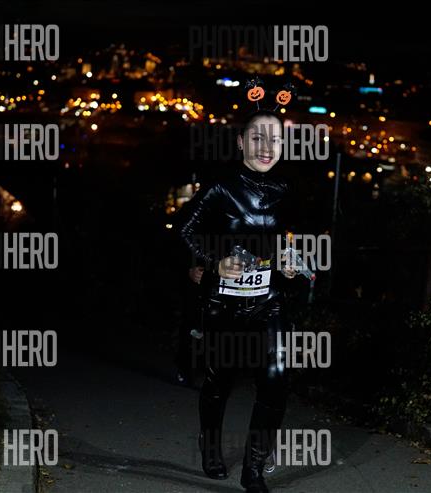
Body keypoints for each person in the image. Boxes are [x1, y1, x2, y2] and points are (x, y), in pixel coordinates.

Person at [175, 100, 298, 493]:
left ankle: (253, 470)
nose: (266, 147)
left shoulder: (285, 189)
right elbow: (184, 230)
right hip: (225, 304)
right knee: (220, 380)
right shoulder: (220, 187)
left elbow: (284, 238)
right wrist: (215, 262)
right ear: (242, 142)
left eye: (275, 139)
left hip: (269, 301)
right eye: (257, 138)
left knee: (277, 379)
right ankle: (210, 444)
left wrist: (289, 259)